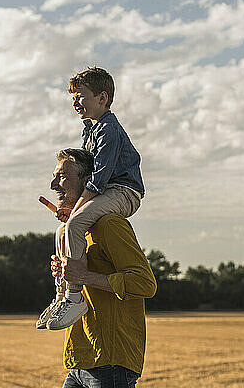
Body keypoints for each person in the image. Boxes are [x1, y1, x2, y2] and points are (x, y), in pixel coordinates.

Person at [37, 67, 146, 331]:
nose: (75, 102)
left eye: (81, 96)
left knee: (74, 224)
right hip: (107, 190)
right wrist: (74, 210)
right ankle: (62, 294)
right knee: (63, 230)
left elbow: (97, 179)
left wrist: (77, 208)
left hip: (123, 191)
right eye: (73, 97)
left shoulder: (108, 130)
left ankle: (75, 298)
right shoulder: (91, 130)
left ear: (102, 98)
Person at [46, 148, 157, 388]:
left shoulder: (109, 224)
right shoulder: (74, 232)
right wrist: (65, 276)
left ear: (88, 182)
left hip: (111, 363)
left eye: (62, 176)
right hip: (80, 359)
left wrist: (84, 275)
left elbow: (145, 283)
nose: (54, 184)